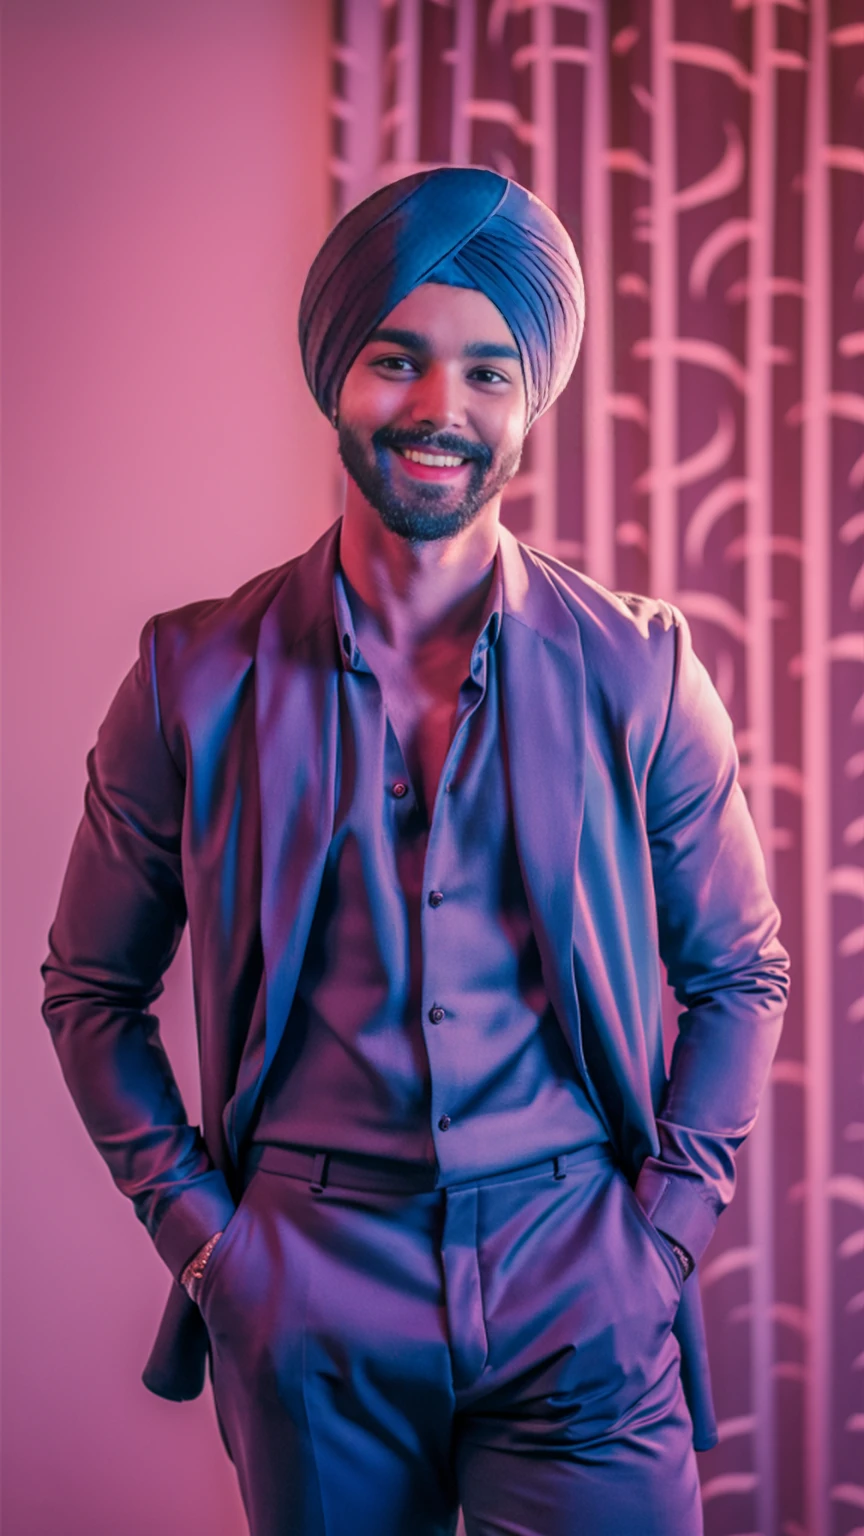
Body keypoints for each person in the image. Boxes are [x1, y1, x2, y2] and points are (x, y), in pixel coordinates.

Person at [42, 167, 789, 1536]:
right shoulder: (187, 678)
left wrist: (662, 1237)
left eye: (490, 372)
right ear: (339, 372)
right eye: (401, 359)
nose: (443, 409)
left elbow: (741, 977)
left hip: (582, 1283)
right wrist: (212, 1248)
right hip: (308, 1287)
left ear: (530, 400)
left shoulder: (643, 670)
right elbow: (89, 993)